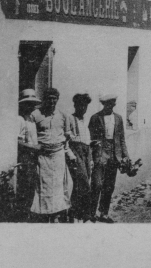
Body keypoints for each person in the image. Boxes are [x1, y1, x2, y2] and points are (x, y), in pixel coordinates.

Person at [29, 87, 74, 222]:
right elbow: (31, 137)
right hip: (43, 156)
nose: (52, 101)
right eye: (49, 98)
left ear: (57, 99)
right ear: (45, 99)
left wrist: (67, 151)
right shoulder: (35, 115)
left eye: (54, 98)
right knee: (44, 186)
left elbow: (67, 137)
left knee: (58, 186)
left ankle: (56, 214)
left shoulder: (63, 115)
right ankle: (44, 214)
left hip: (58, 155)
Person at [88, 93, 129, 223]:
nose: (110, 106)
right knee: (97, 184)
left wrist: (125, 155)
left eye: (112, 104)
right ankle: (91, 213)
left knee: (109, 185)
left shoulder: (118, 118)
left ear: (114, 104)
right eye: (107, 104)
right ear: (103, 104)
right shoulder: (95, 118)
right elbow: (90, 139)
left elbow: (121, 138)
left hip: (114, 154)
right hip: (100, 154)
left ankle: (104, 213)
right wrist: (92, 155)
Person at [67, 94, 93, 223]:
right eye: (80, 105)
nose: (83, 108)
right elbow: (68, 139)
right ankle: (77, 213)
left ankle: (79, 214)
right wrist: (72, 155)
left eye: (85, 106)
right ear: (75, 105)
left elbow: (86, 139)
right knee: (82, 184)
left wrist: (90, 155)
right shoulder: (70, 119)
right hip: (76, 152)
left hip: (86, 152)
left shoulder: (84, 120)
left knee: (84, 182)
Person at [16, 89, 41, 222]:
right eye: (28, 104)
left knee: (32, 188)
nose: (31, 106)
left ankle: (29, 216)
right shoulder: (19, 119)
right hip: (25, 159)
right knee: (25, 189)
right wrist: (34, 147)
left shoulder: (31, 119)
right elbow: (18, 142)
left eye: (32, 104)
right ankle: (23, 217)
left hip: (33, 159)